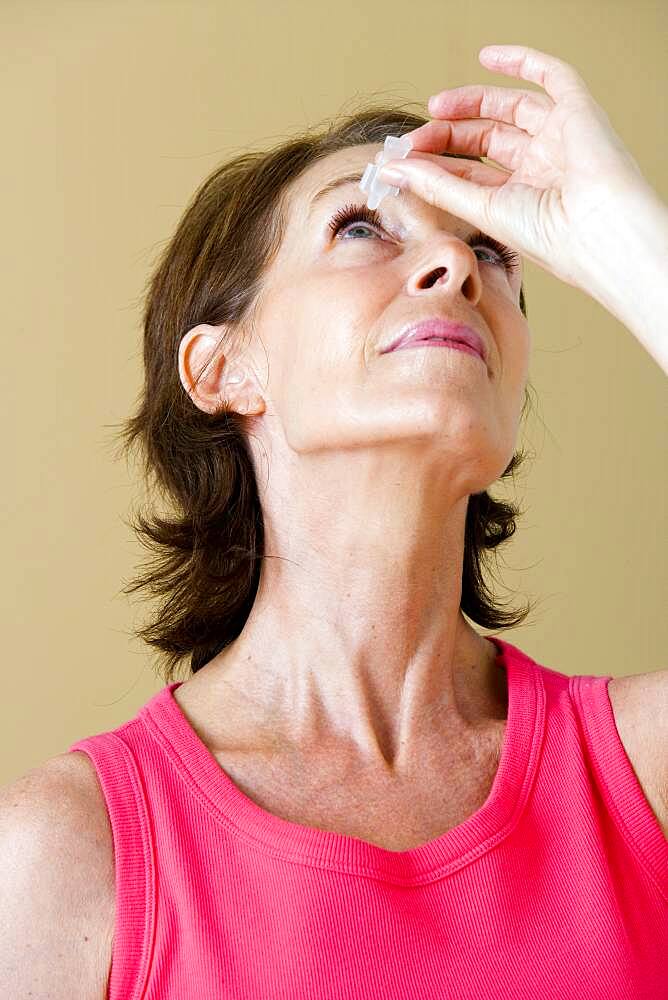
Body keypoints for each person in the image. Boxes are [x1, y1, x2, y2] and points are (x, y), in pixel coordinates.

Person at [2, 43, 667, 999]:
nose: (453, 264)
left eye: (491, 250)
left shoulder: (638, 780)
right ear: (224, 370)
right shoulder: (65, 855)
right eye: (361, 226)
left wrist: (629, 242)